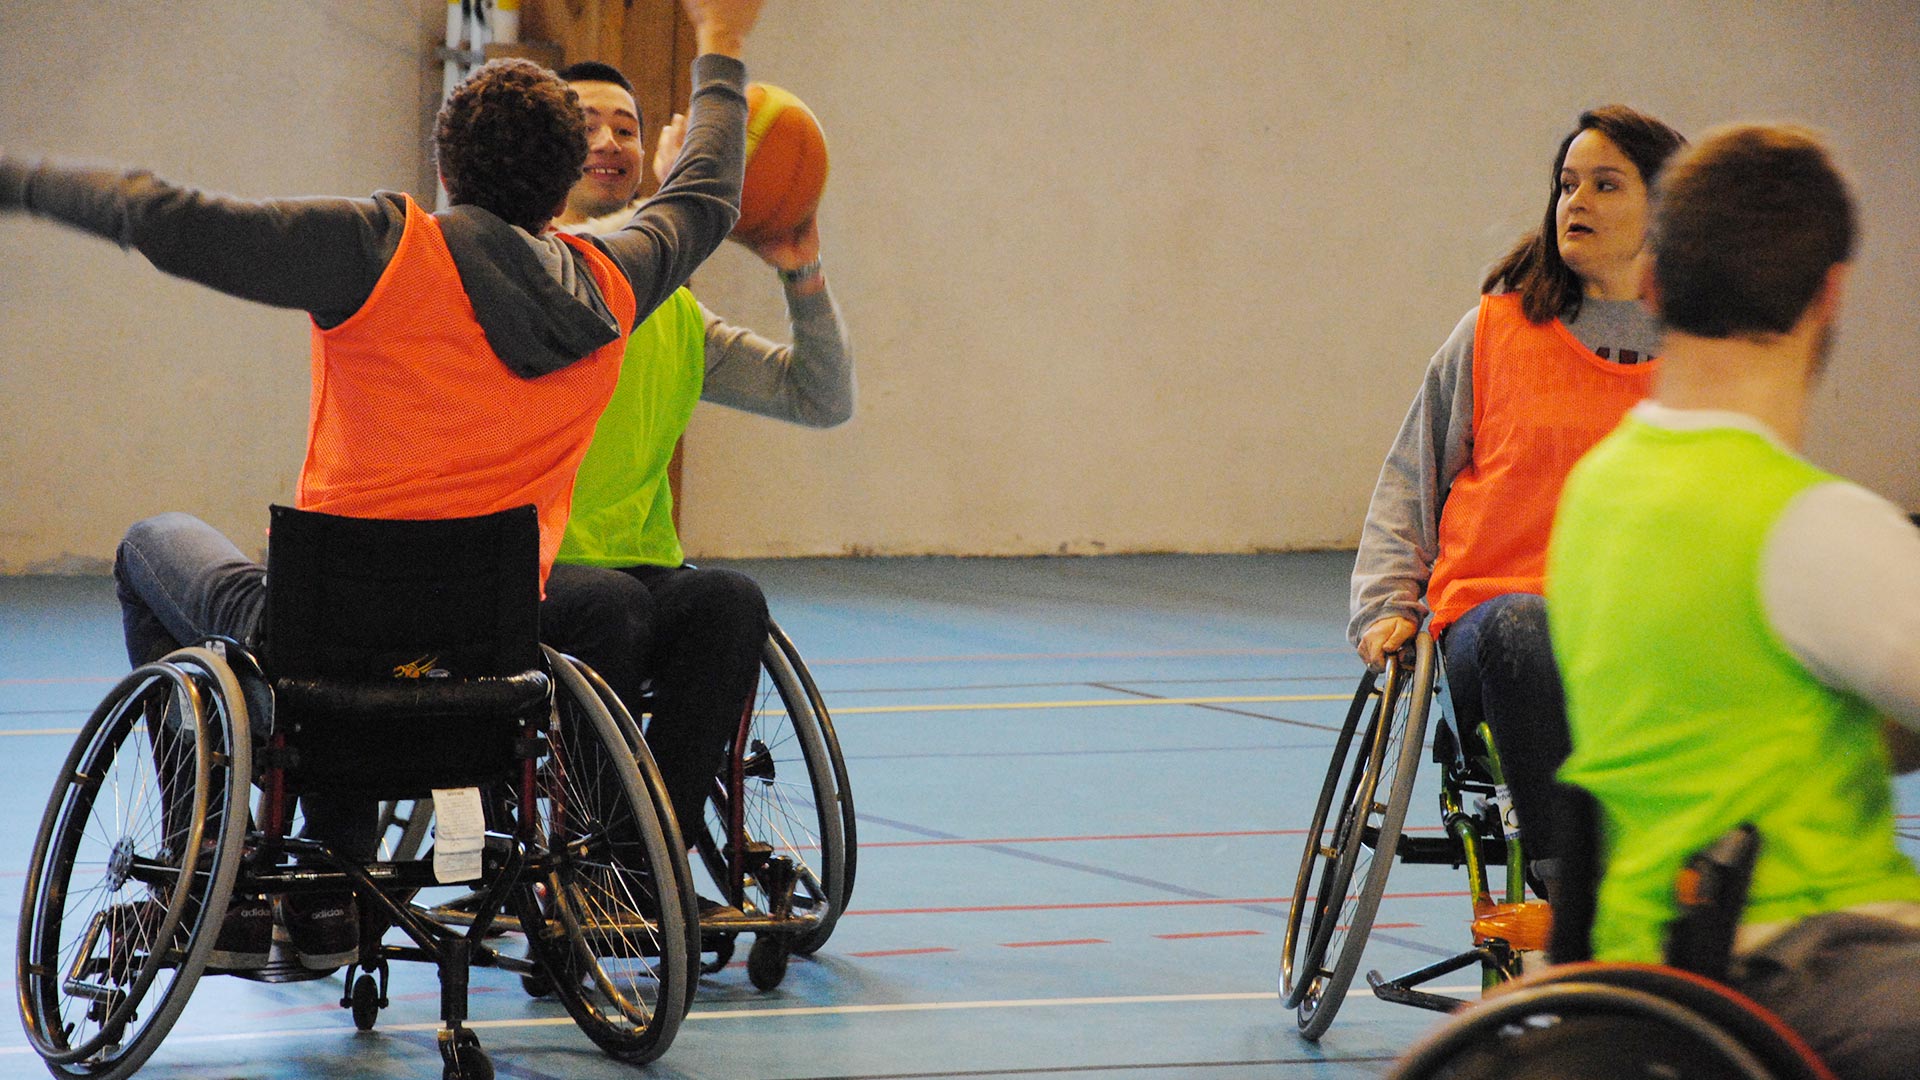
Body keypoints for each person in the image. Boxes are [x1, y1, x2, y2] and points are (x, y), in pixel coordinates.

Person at [0, 0, 763, 971]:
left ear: (447, 167)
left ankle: (220, 877)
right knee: (365, 609)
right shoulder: (615, 282)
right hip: (496, 645)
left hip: (324, 636)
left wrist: (21, 181)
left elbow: (165, 216)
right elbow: (704, 194)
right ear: (568, 177)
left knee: (152, 544)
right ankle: (327, 885)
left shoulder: (381, 248)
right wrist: (723, 49)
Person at [1548, 124, 1920, 1079]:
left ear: (1655, 284)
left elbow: (1727, 713)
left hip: (1634, 971)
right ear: (1829, 295)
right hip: (1801, 974)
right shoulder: (1813, 526)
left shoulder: (1596, 495)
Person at [1348, 106, 1685, 886]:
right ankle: (1568, 875)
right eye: (1568, 185)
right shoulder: (1495, 333)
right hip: (1499, 633)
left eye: (1605, 185)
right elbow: (1412, 478)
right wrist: (1383, 606)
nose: (1577, 203)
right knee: (1522, 626)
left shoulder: (1703, 356)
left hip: (1637, 646)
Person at [537, 59, 853, 843]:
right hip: (530, 571)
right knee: (612, 609)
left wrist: (801, 270)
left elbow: (822, 397)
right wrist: (685, 198)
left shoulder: (678, 317)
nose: (610, 142)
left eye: (627, 129)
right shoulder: (527, 267)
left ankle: (652, 849)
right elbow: (603, 263)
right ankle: (592, 846)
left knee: (729, 601)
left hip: (638, 570)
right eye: (586, 129)